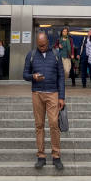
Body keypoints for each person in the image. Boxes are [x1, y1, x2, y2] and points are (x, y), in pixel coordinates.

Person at [23, 33, 65, 170]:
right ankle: (41, 155)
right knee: (39, 125)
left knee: (54, 123)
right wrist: (33, 76)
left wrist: (61, 97)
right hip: (37, 93)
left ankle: (56, 155)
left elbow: (61, 77)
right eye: (39, 45)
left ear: (48, 41)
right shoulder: (31, 55)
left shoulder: (56, 54)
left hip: (53, 93)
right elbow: (25, 75)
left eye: (44, 45)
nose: (42, 47)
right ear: (36, 42)